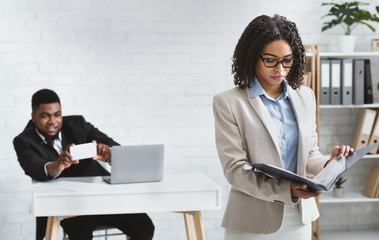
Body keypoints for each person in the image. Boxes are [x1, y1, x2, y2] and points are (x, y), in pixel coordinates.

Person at [213, 15, 353, 240]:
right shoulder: (228, 102)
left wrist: (329, 163)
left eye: (287, 60)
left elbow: (308, 154)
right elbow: (235, 169)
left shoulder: (305, 96)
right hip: (251, 221)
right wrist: (284, 190)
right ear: (251, 57)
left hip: (298, 218)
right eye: (270, 60)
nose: (280, 69)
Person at [13, 89, 155, 240]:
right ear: (33, 117)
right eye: (45, 116)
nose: (53, 121)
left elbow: (115, 147)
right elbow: (35, 167)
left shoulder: (77, 124)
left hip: (101, 199)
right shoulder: (24, 141)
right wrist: (58, 165)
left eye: (57, 114)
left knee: (144, 227)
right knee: (81, 236)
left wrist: (108, 154)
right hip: (67, 206)